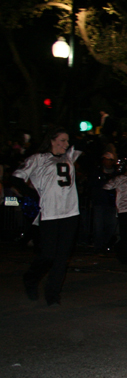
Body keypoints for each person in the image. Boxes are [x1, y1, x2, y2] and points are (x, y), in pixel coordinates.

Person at [11, 127, 81, 305]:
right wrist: (31, 193)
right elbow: (16, 178)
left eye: (67, 140)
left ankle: (53, 294)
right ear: (52, 140)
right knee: (48, 255)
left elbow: (84, 145)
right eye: (62, 140)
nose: (66, 144)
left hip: (70, 212)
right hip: (49, 213)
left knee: (62, 257)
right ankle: (31, 278)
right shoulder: (37, 159)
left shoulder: (69, 156)